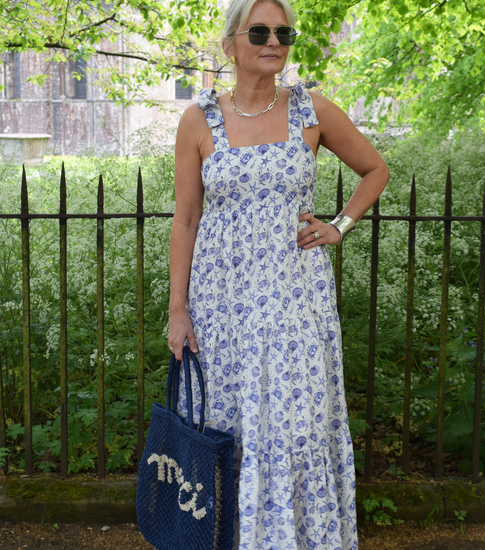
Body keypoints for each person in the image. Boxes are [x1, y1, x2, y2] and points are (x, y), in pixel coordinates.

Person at [168, 0, 389, 547]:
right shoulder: (199, 118)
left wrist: (339, 224)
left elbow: (375, 169)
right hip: (220, 306)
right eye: (261, 31)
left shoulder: (310, 110)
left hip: (295, 299)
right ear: (230, 45)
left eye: (284, 32)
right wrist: (177, 309)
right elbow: (187, 218)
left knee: (295, 425)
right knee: (226, 427)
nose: (274, 41)